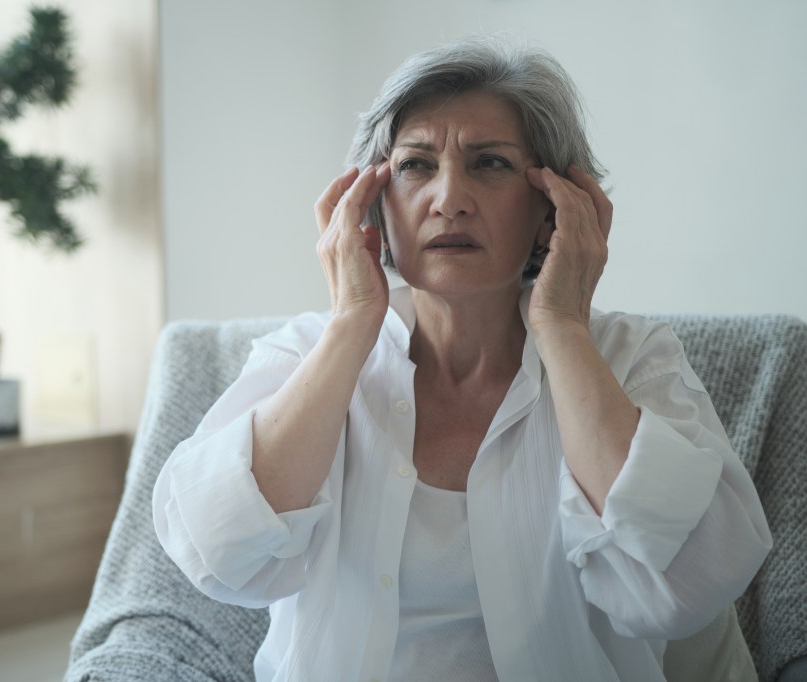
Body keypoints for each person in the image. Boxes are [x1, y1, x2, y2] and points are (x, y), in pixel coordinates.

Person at [152, 38, 772, 681]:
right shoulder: (308, 353)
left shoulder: (629, 356)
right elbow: (217, 552)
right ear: (372, 205)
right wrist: (350, 325)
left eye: (491, 164)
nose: (450, 198)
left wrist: (560, 324)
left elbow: (696, 578)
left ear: (551, 209)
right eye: (417, 165)